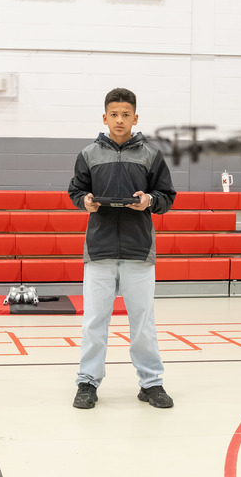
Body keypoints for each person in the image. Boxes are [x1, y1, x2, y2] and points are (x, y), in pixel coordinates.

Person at [68, 88, 177, 409]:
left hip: (138, 251)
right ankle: (87, 382)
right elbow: (76, 190)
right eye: (114, 114)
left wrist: (149, 201)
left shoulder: (151, 155)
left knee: (143, 321)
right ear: (104, 117)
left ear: (135, 118)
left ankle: (151, 383)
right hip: (98, 251)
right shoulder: (89, 154)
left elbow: (167, 196)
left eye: (125, 114)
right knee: (94, 321)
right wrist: (84, 202)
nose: (119, 120)